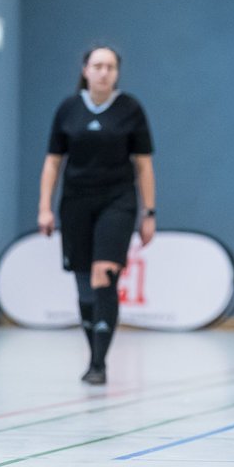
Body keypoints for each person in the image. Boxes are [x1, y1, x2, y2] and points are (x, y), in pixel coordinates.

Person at [38, 46, 156, 385]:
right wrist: (44, 207)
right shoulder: (68, 110)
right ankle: (93, 351)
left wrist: (149, 212)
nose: (104, 72)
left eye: (110, 66)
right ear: (85, 70)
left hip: (117, 200)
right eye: (98, 66)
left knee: (104, 273)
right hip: (76, 201)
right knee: (83, 284)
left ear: (117, 72)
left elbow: (144, 164)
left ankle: (99, 363)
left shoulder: (130, 110)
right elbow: (53, 162)